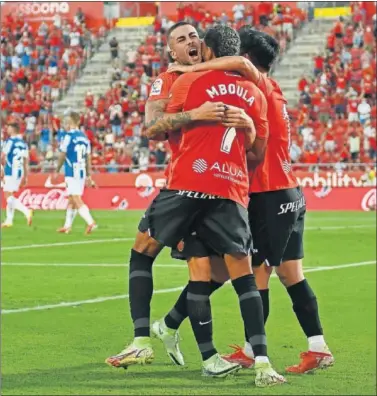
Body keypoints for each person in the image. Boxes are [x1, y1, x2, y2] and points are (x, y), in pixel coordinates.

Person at [167, 26, 335, 375]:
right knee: (292, 275)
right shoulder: (270, 90)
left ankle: (249, 351)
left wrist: (188, 70)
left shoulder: (255, 83)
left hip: (268, 193)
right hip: (289, 192)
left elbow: (240, 64)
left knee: (256, 277)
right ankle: (318, 347)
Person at [105, 21, 227, 369]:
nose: (191, 41)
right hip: (187, 183)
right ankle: (146, 338)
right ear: (171, 52)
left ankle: (166, 327)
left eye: (194, 36)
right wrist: (194, 115)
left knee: (217, 271)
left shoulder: (221, 73)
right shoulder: (168, 80)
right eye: (181, 39)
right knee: (151, 254)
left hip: (218, 186)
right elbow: (153, 128)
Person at [53, 111, 97, 234]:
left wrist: (57, 170)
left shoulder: (68, 136)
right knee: (71, 199)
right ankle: (67, 226)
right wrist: (88, 175)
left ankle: (90, 222)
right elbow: (88, 158)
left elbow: (62, 154)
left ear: (71, 121)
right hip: (82, 171)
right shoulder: (84, 138)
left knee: (75, 198)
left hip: (72, 170)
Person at [1, 122, 33, 228]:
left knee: (7, 195)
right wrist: (26, 176)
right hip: (19, 172)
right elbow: (25, 161)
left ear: (13, 129)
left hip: (10, 171)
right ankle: (9, 220)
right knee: (10, 195)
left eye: (9, 128)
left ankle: (26, 211)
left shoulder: (9, 142)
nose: (7, 129)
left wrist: (1, 170)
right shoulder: (23, 143)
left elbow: (2, 156)